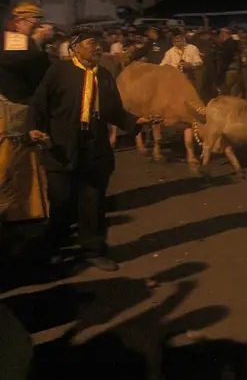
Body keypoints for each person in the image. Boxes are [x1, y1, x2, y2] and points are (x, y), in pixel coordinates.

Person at [26, 31, 161, 271]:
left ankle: (93, 250)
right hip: (61, 146)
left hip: (94, 146)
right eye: (91, 44)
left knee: (93, 202)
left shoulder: (105, 76)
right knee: (62, 202)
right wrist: (34, 129)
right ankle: (54, 249)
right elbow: (39, 103)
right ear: (75, 48)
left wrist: (137, 122)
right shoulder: (59, 72)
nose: (98, 48)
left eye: (100, 44)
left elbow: (114, 111)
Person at [0, 2, 50, 226]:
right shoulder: (14, 40)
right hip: (14, 108)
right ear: (20, 22)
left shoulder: (21, 42)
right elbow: (26, 63)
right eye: (34, 23)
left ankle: (27, 208)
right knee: (13, 160)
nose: (38, 27)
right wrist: (37, 42)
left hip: (20, 106)